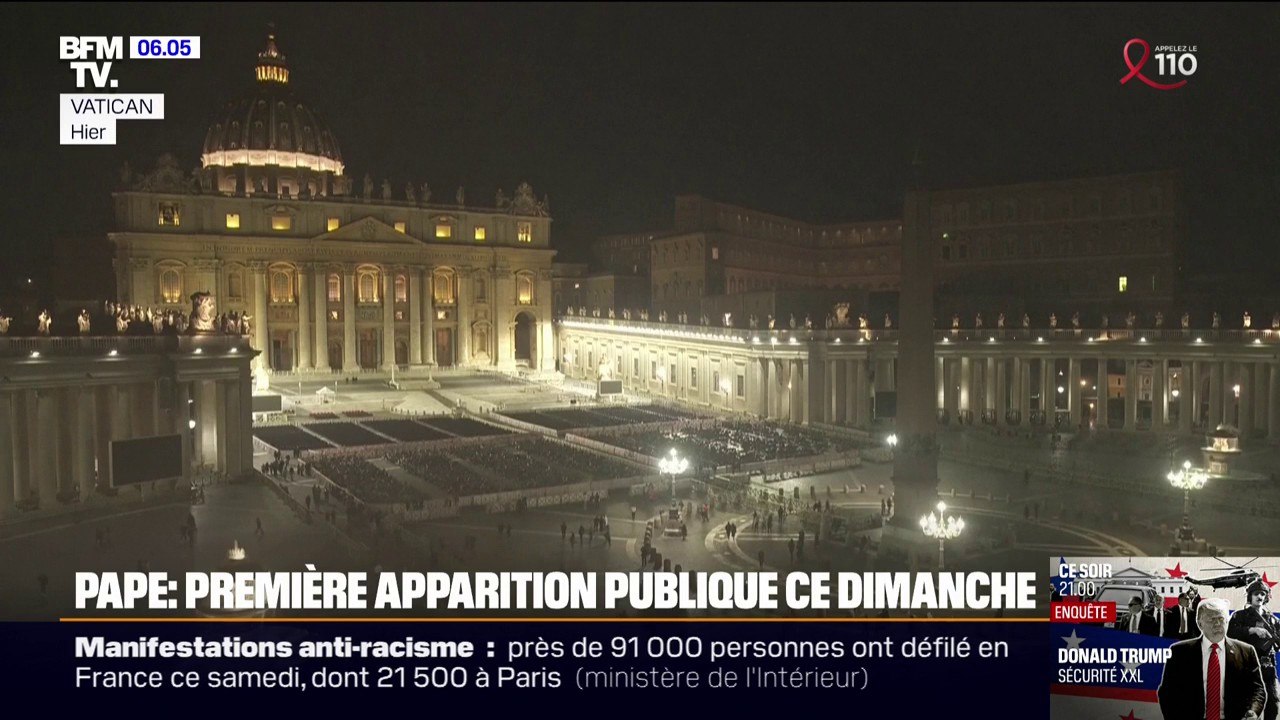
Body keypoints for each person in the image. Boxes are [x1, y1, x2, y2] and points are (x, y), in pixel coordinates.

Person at [1158, 597, 1267, 720]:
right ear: (1200, 623)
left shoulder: (1246, 652)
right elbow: (1167, 693)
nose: (1217, 624)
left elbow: (1257, 689)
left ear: (1227, 622)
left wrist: (1253, 711)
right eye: (1211, 619)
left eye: (1221, 619)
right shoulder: (1179, 652)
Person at [1229, 580, 1280, 720]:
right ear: (1250, 596)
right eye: (1256, 593)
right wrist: (1252, 630)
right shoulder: (1239, 616)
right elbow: (1230, 633)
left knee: (1273, 703)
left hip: (1268, 665)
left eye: (1263, 594)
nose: (1259, 597)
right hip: (1247, 664)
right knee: (1246, 704)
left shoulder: (1273, 620)